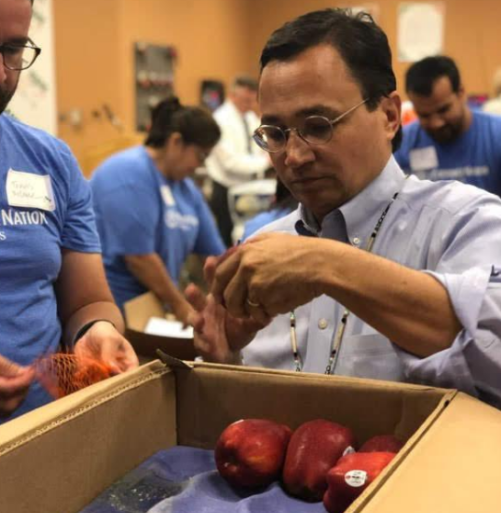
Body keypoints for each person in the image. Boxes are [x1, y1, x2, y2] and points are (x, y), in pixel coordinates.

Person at [185, 8, 501, 408]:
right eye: (275, 134)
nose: (294, 157)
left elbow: (493, 347)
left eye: (319, 126)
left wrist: (325, 264)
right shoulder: (264, 248)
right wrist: (226, 363)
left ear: (388, 116)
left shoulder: (462, 222)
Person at [0, 0, 138, 424]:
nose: (2, 75)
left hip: (45, 440)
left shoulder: (49, 161)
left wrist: (94, 331)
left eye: (12, 50)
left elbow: (90, 300)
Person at [91, 97, 225, 322]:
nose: (199, 166)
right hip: (116, 309)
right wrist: (181, 307)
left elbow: (214, 256)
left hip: (155, 308)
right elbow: (139, 258)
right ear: (176, 142)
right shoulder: (128, 173)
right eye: (200, 156)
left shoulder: (186, 189)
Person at [394, 55, 501, 196]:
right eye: (424, 115)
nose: (436, 123)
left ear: (461, 93)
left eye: (443, 110)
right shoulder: (404, 143)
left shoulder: (496, 135)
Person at [205, 75, 271, 247]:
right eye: (245, 100)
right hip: (226, 189)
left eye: (251, 101)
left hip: (249, 188)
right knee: (227, 243)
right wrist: (265, 162)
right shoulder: (220, 120)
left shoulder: (250, 118)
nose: (249, 105)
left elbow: (264, 145)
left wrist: (267, 157)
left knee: (250, 237)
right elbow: (231, 163)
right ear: (233, 96)